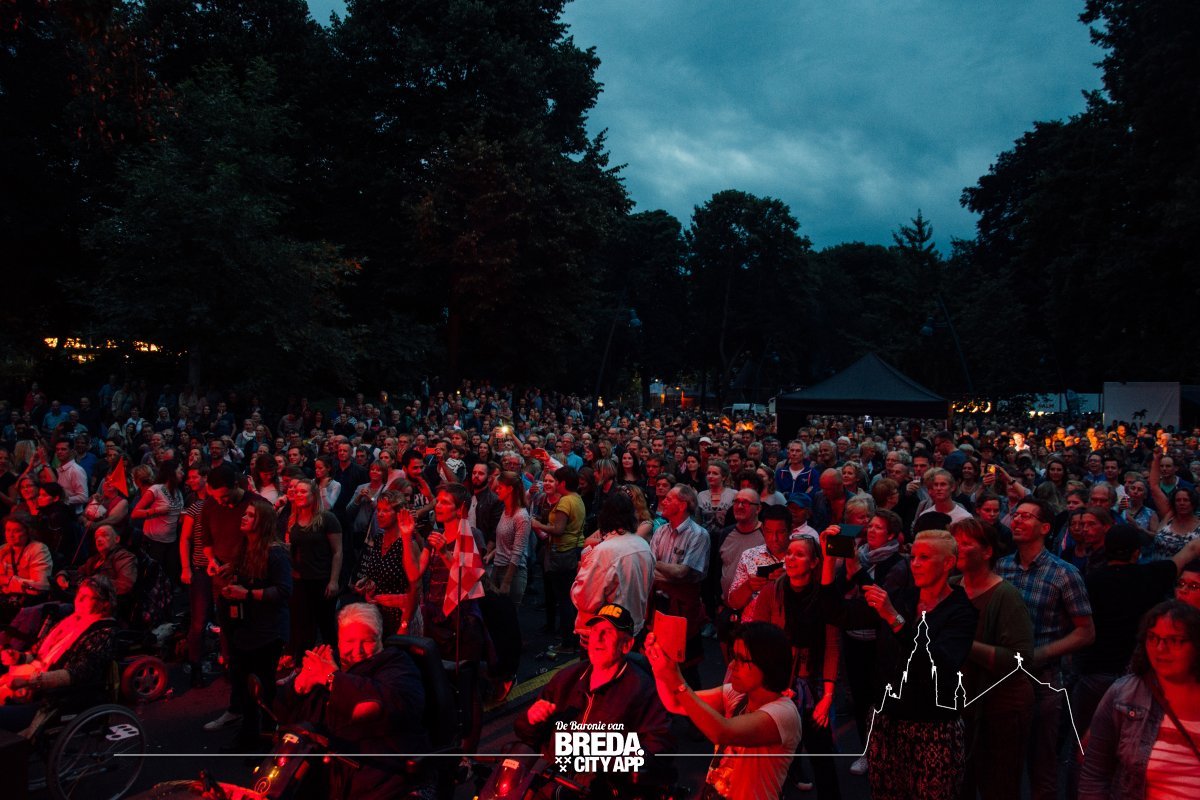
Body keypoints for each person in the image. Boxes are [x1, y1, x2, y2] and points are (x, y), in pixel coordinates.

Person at [820, 529, 977, 800]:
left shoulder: (960, 611)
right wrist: (828, 561)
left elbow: (938, 664)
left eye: (924, 557)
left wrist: (893, 618)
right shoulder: (903, 597)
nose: (915, 564)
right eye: (913, 557)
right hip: (886, 721)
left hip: (932, 729)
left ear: (948, 563)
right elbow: (837, 613)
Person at [275, 603, 434, 800]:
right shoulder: (327, 660)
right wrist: (300, 686)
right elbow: (283, 714)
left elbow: (396, 705)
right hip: (322, 770)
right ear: (339, 640)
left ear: (380, 639)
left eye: (367, 641)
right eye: (349, 641)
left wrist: (332, 679)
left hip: (378, 772)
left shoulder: (397, 664)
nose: (357, 650)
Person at [996, 497, 1095, 800]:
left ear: (1045, 528)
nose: (1017, 520)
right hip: (1004, 681)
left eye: (1027, 516)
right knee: (1003, 769)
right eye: (1016, 515)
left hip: (1043, 681)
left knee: (1042, 769)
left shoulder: (1064, 573)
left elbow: (1085, 632)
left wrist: (1041, 653)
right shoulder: (1002, 567)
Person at [516, 603, 673, 790]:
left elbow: (659, 747)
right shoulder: (566, 679)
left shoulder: (643, 690)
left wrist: (609, 765)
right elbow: (526, 734)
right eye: (595, 631)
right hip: (551, 779)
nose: (597, 639)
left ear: (626, 645)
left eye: (607, 633)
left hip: (599, 787)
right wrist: (531, 719)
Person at [645, 620, 800, 800]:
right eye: (733, 656)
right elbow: (675, 703)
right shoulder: (737, 694)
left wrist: (676, 679)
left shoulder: (784, 713)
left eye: (741, 659)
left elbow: (722, 732)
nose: (732, 665)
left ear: (767, 664)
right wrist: (658, 666)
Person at [948, 517, 1034, 800]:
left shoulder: (1005, 595)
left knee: (998, 788)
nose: (956, 548)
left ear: (987, 552)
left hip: (1000, 710)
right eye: (954, 542)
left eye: (965, 543)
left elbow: (1021, 660)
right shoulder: (950, 587)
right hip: (961, 707)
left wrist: (965, 644)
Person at [1079, 601, 1200, 800]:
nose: (1160, 648)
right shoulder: (1124, 695)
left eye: (1175, 640)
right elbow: (1094, 774)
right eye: (1153, 637)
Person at [754, 533, 842, 799]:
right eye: (789, 553)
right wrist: (776, 686)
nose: (791, 558)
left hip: (814, 683)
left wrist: (828, 696)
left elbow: (832, 645)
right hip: (779, 684)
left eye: (799, 554)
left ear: (814, 563)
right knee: (774, 757)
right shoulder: (772, 592)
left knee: (822, 756)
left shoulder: (824, 596)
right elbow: (759, 642)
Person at [206, 499, 292, 750]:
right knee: (245, 683)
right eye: (245, 513)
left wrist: (247, 594)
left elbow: (284, 591)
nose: (243, 518)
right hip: (246, 626)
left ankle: (267, 740)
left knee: (264, 686)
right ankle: (247, 736)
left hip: (268, 629)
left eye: (250, 515)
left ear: (262, 522)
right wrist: (232, 579)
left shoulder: (275, 553)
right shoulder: (246, 547)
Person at [0, 575, 118, 732]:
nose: (78, 600)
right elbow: (38, 653)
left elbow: (76, 674)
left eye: (85, 597)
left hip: (57, 698)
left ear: (104, 604)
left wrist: (29, 681)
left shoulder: (103, 632)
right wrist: (19, 657)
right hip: (37, 683)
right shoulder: (71, 620)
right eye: (78, 595)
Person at [570, 492, 655, 640]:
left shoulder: (605, 551)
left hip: (605, 634)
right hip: (634, 627)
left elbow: (585, 600)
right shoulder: (643, 545)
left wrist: (580, 572)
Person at [286, 478, 344, 665]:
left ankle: (333, 666)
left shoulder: (327, 519)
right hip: (299, 580)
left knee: (326, 625)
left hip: (321, 579)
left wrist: (334, 581)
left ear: (314, 495)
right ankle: (302, 666)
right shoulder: (292, 519)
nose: (299, 495)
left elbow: (337, 551)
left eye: (304, 491)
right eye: (297, 491)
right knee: (302, 625)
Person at [353, 490, 423, 636]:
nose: (379, 514)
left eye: (385, 510)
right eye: (378, 510)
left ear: (399, 514)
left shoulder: (408, 544)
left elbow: (416, 588)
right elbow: (379, 570)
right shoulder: (379, 539)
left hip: (400, 616)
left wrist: (405, 623)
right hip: (378, 616)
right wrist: (366, 582)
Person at [55, 524, 138, 619]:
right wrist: (62, 575)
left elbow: (125, 585)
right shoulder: (94, 559)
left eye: (104, 535)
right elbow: (78, 572)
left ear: (117, 539)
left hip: (104, 607)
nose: (99, 539)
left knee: (60, 610)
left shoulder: (124, 557)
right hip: (83, 600)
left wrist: (93, 586)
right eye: (96, 537)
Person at [0, 515, 53, 625]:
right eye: (8, 530)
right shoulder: (3, 549)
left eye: (16, 531)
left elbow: (41, 586)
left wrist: (8, 581)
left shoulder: (38, 549)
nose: (10, 535)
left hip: (27, 605)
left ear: (28, 531)